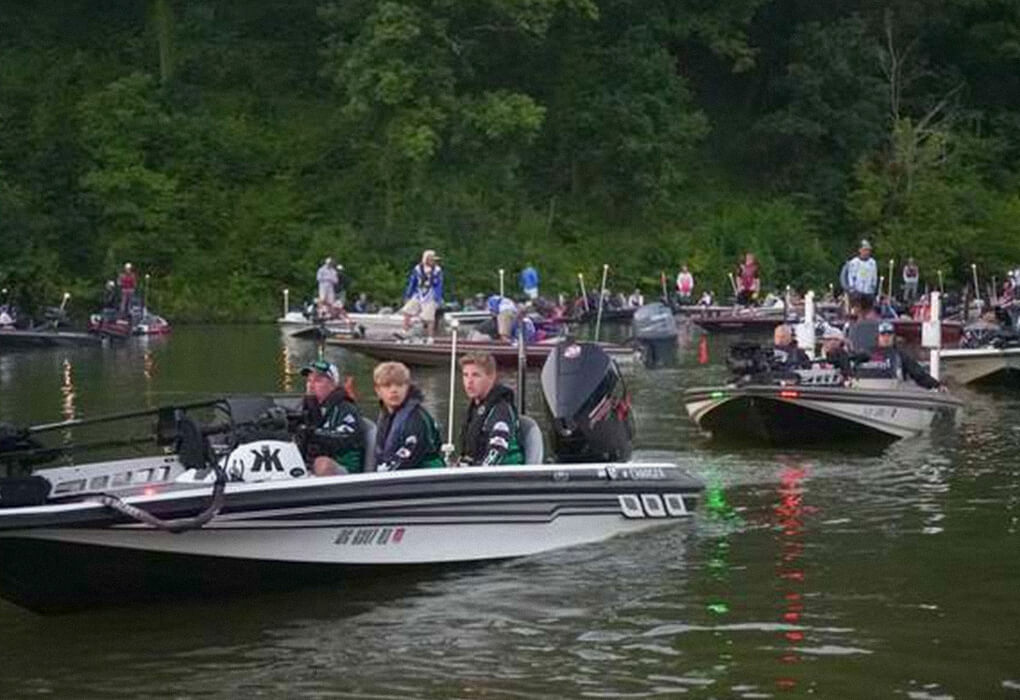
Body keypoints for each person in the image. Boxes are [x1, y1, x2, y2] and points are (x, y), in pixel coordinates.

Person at [373, 362, 445, 470]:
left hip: (425, 478)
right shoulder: (387, 415)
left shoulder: (416, 419)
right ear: (378, 390)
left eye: (399, 385)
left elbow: (408, 459)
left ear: (407, 387)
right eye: (387, 386)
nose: (394, 391)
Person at [458, 352, 524, 466]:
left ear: (491, 377)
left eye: (476, 375)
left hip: (502, 477)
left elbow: (496, 453)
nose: (469, 382)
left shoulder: (500, 411)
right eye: (465, 375)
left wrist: (473, 476)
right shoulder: (475, 408)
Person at [300, 360, 365, 475]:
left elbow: (344, 438)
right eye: (309, 380)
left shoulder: (347, 409)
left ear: (333, 384)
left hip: (346, 469)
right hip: (311, 464)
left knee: (322, 464)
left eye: (318, 381)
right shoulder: (309, 409)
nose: (311, 385)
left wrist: (312, 433)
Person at [857, 320, 940, 388]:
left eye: (889, 334)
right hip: (866, 391)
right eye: (883, 335)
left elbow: (918, 374)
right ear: (878, 337)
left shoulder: (900, 355)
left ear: (893, 336)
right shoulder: (867, 352)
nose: (886, 338)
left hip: (893, 394)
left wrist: (936, 385)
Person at [401, 250, 444, 339]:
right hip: (418, 293)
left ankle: (430, 337)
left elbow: (439, 285)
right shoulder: (418, 268)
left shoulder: (437, 270)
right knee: (407, 311)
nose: (433, 262)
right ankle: (404, 332)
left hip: (431, 294)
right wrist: (408, 294)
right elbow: (413, 282)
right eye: (431, 260)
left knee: (428, 318)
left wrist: (438, 298)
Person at [842, 240, 879, 312]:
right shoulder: (854, 262)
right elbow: (851, 276)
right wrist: (852, 289)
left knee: (868, 309)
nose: (867, 252)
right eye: (865, 250)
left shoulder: (872, 263)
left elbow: (874, 276)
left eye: (868, 250)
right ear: (860, 250)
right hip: (857, 291)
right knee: (857, 308)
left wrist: (873, 287)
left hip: (868, 291)